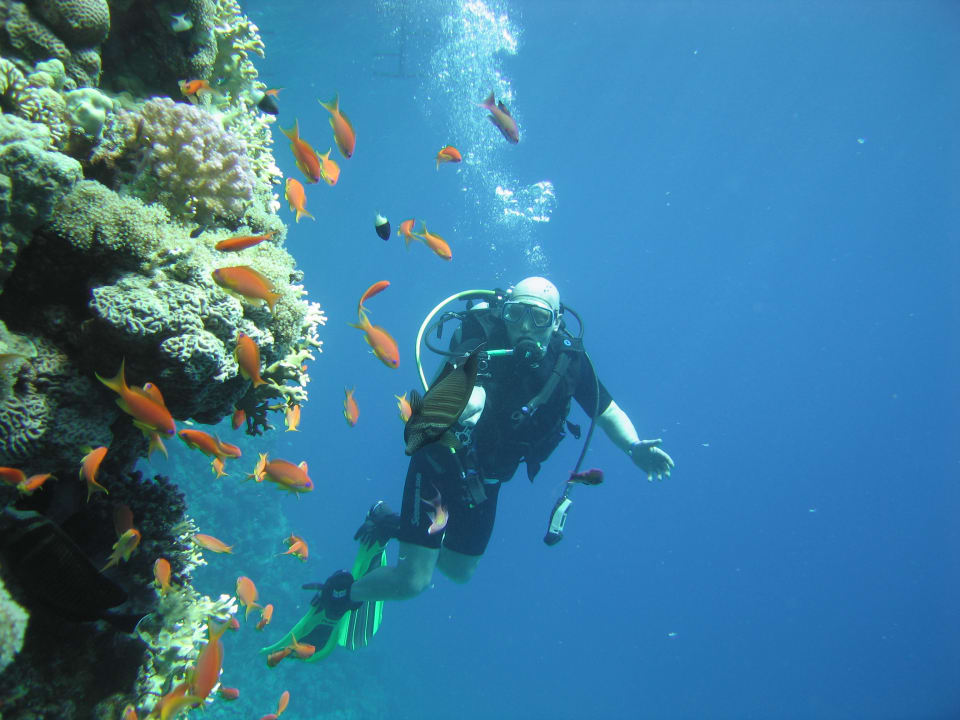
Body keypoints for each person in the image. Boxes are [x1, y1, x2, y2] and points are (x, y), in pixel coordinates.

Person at [304, 277, 674, 633]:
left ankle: (393, 524)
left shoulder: (571, 362)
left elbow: (606, 411)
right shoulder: (480, 335)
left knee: (459, 571)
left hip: (487, 480)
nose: (525, 327)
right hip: (440, 464)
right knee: (414, 582)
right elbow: (463, 390)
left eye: (540, 318)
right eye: (516, 315)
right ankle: (341, 593)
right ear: (505, 313)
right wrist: (467, 401)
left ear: (557, 322)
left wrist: (632, 446)